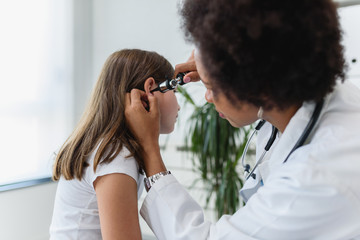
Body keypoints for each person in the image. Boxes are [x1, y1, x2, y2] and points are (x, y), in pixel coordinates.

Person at [124, 0, 360, 239]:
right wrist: (217, 65)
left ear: (255, 83)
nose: (207, 98)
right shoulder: (310, 89)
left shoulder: (314, 179)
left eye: (211, 87)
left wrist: (149, 149)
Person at [49, 49, 180, 239]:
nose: (179, 105)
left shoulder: (108, 147)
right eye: (174, 91)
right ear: (150, 89)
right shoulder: (115, 155)